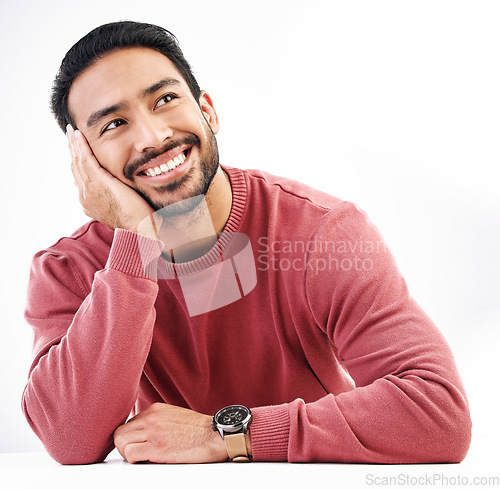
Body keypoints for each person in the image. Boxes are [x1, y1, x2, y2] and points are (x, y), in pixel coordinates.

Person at [22, 20, 472, 465]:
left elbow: (438, 412)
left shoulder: (320, 233)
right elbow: (71, 440)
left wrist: (225, 434)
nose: (152, 137)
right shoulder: (68, 268)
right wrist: (136, 246)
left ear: (208, 111)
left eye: (164, 99)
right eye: (114, 123)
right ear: (84, 158)